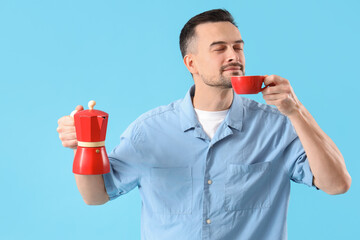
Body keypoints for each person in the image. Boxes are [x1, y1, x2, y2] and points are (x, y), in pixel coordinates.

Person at [57, 9, 351, 240]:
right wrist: (84, 145)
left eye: (238, 46)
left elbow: (337, 184)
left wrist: (296, 111)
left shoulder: (277, 127)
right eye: (219, 48)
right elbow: (95, 195)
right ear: (191, 63)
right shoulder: (148, 131)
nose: (234, 55)